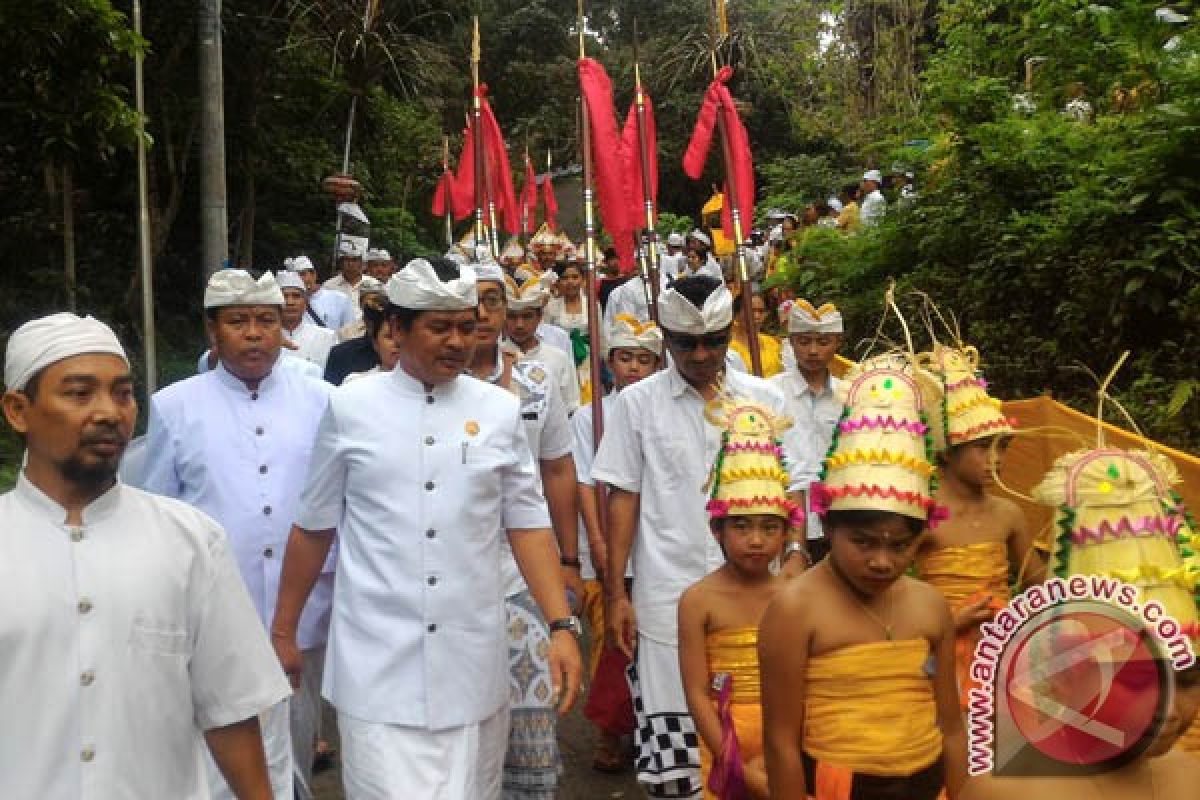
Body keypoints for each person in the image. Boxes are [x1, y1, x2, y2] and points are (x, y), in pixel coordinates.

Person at [270, 258, 583, 800]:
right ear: (397, 327)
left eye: (466, 325)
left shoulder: (499, 411)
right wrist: (283, 633)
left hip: (473, 665)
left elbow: (528, 525)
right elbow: (313, 528)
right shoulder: (349, 407)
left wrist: (561, 625)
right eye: (440, 327)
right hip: (375, 670)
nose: (458, 341)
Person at [0, 312, 289, 799]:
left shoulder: (191, 541)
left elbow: (232, 712)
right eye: (79, 393)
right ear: (18, 410)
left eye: (122, 393)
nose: (109, 412)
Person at [134, 269, 333, 800]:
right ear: (213, 331)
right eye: (238, 321)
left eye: (266, 320)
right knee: (222, 749)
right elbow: (161, 512)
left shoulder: (319, 397)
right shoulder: (176, 405)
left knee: (295, 739)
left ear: (283, 326)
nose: (253, 333)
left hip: (307, 607)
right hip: (215, 610)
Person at [592, 275, 794, 798]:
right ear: (666, 338)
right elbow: (625, 499)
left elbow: (793, 491)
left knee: (762, 746)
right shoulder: (636, 404)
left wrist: (794, 558)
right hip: (666, 598)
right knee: (678, 759)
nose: (702, 354)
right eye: (686, 343)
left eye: (714, 341)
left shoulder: (764, 399)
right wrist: (617, 594)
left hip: (758, 604)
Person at [759, 353, 967, 800]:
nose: (881, 562)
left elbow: (951, 726)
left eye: (899, 546)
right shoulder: (795, 609)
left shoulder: (930, 605)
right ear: (828, 527)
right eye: (865, 542)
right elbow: (780, 741)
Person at [467, 257, 583, 799]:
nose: (484, 313)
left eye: (493, 300)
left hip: (525, 577)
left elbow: (558, 468)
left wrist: (571, 560)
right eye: (472, 302)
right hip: (453, 581)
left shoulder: (537, 380)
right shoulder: (431, 389)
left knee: (532, 724)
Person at [678, 397, 797, 799]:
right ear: (718, 531)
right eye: (742, 527)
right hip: (724, 739)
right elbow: (696, 691)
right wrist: (735, 763)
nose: (756, 540)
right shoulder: (698, 600)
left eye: (769, 528)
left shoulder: (794, 597)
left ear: (786, 533)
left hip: (789, 741)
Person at [916, 341, 1043, 709]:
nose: (996, 460)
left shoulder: (1008, 514)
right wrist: (950, 623)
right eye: (983, 448)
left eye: (1002, 448)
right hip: (943, 657)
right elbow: (892, 599)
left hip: (1001, 654)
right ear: (946, 451)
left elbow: (1039, 586)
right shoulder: (922, 516)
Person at [573, 315, 663, 773]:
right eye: (625, 358)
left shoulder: (663, 408)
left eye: (643, 359)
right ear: (609, 363)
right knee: (615, 639)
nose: (633, 367)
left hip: (660, 541)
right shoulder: (590, 418)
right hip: (610, 542)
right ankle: (611, 730)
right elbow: (587, 485)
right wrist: (599, 540)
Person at [771, 300, 845, 566]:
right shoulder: (771, 393)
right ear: (791, 342)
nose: (813, 351)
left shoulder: (848, 396)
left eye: (823, 342)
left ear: (838, 343)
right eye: (804, 341)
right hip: (786, 518)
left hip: (838, 517)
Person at [506, 273, 582, 412]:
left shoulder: (558, 358)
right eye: (512, 317)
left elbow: (571, 406)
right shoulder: (494, 356)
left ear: (539, 317)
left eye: (527, 316)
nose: (519, 325)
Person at [279, 270, 337, 372]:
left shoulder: (327, 336)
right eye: (284, 296)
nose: (290, 302)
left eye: (296, 296)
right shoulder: (263, 338)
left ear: (306, 303)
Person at [340, 290, 401, 383]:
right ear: (375, 343)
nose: (397, 342)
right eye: (389, 336)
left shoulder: (428, 383)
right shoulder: (356, 383)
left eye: (403, 336)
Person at [291, 255, 355, 330]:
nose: (299, 279)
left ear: (313, 275)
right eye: (294, 276)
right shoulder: (287, 303)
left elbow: (350, 332)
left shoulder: (340, 299)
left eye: (302, 274)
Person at [729, 291, 784, 378]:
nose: (757, 316)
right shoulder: (729, 348)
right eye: (751, 311)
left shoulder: (773, 342)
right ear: (736, 315)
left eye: (761, 311)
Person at [323, 239, 366, 313]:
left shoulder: (373, 284)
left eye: (354, 260)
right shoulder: (329, 286)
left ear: (361, 263)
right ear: (341, 263)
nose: (350, 264)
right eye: (346, 260)